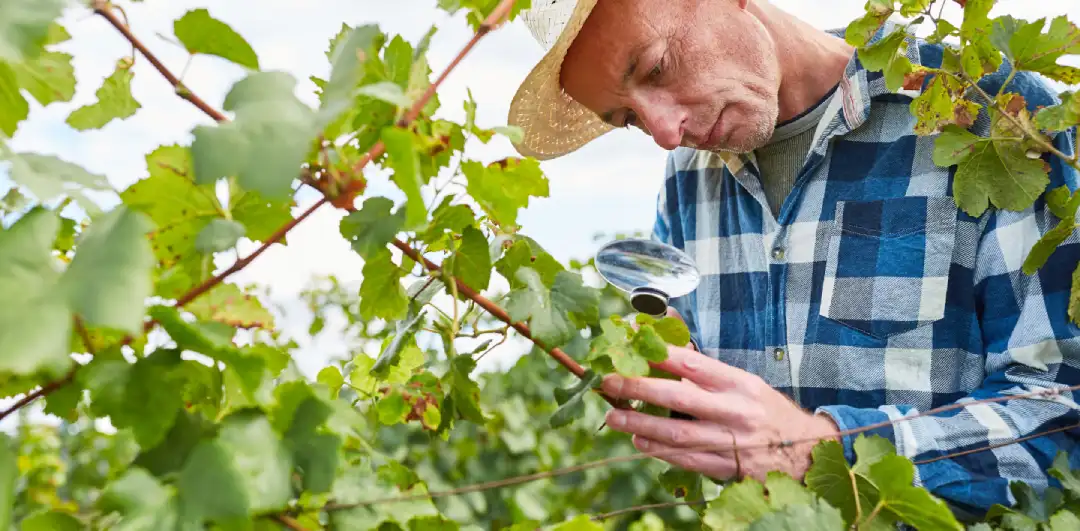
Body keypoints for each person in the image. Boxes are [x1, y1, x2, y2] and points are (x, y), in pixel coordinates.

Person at [505, 0, 1080, 520]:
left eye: (656, 67)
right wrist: (679, 382)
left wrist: (822, 451)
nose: (662, 131)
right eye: (627, 117)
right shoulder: (687, 178)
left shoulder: (989, 113)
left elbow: (1062, 414)